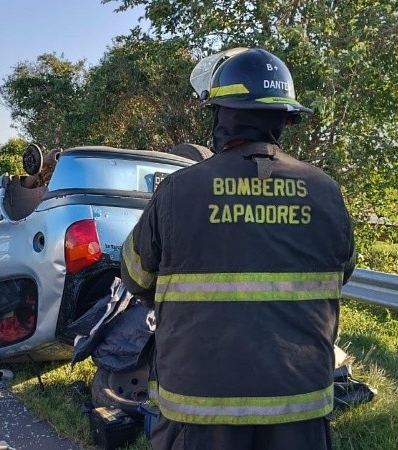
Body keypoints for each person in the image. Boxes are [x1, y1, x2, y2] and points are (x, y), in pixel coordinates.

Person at [120, 48, 356, 450]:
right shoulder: (326, 192)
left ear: (220, 114)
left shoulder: (179, 191)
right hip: (299, 406)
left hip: (200, 407)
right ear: (284, 118)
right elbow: (341, 272)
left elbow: (135, 275)